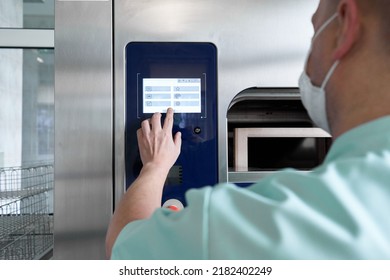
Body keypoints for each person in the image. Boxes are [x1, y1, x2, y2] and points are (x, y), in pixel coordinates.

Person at [106, 0, 390, 259]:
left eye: (314, 32)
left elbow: (122, 251)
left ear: (344, 26)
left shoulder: (259, 225)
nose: (308, 61)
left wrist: (154, 168)